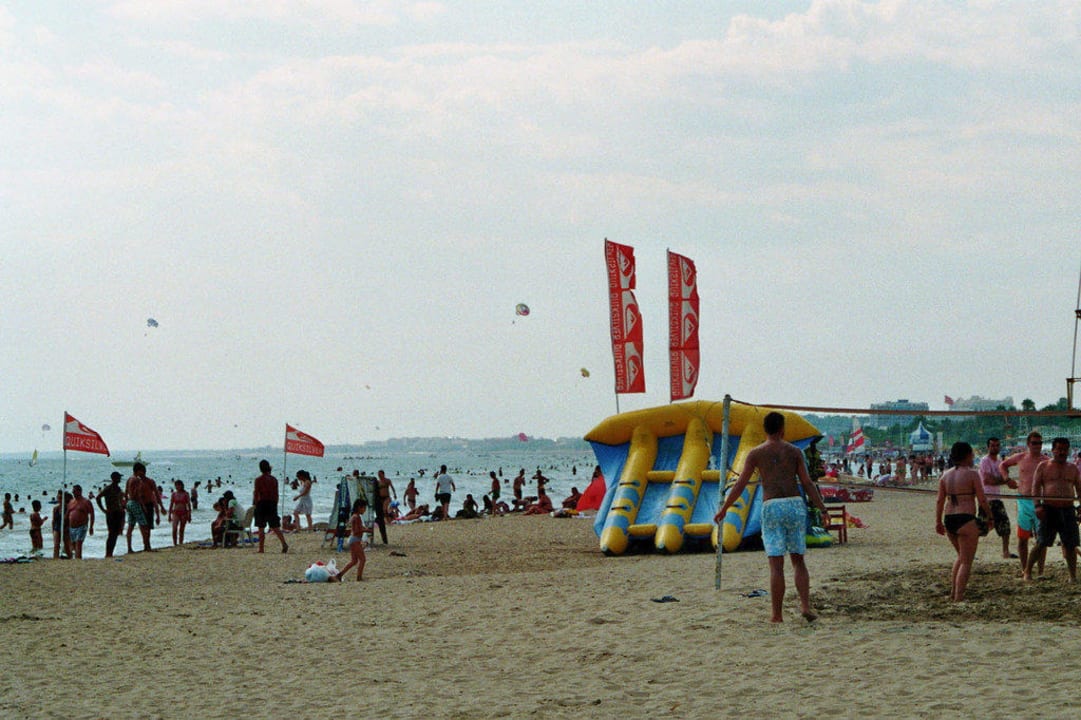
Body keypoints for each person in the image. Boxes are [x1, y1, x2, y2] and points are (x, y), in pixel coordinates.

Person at [714, 411, 829, 623]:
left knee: (776, 566)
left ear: (765, 430)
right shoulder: (794, 452)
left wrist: (724, 508)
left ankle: (777, 615)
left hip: (772, 505)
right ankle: (805, 606)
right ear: (782, 429)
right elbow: (807, 482)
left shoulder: (756, 453)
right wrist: (822, 508)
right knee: (798, 560)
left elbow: (740, 484)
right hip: (794, 504)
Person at [935, 442, 994, 601]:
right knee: (967, 561)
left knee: (961, 557)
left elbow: (940, 501)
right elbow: (982, 499)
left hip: (949, 518)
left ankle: (954, 592)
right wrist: (990, 516)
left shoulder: (945, 475)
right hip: (965, 517)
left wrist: (938, 522)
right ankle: (959, 596)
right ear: (967, 455)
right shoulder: (972, 474)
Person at [1023, 437, 1081, 582]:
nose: (1061, 452)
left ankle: (1072, 576)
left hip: (1068, 509)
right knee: (1041, 542)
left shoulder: (1072, 468)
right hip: (1049, 509)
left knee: (1070, 544)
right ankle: (1027, 572)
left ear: (1068, 451)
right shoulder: (1044, 466)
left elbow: (1079, 489)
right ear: (1053, 450)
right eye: (1059, 449)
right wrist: (1037, 506)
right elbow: (1035, 487)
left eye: (1064, 449)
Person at [1000, 431, 1048, 574]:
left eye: (1039, 443)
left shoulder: (1045, 460)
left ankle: (1040, 570)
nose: (1037, 446)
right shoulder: (1021, 457)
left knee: (1042, 539)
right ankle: (1024, 568)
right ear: (1028, 444)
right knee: (1023, 537)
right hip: (1023, 499)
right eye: (1034, 443)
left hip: (1040, 500)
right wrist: (1007, 479)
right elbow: (1003, 465)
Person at [978, 437, 1017, 559]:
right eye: (992, 445)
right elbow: (987, 480)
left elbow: (1002, 476)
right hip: (987, 498)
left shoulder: (999, 462)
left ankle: (1005, 552)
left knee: (1004, 525)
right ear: (988, 447)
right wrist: (1005, 481)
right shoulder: (985, 461)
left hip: (996, 497)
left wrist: (1004, 479)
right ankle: (968, 550)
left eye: (997, 445)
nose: (995, 447)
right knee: (982, 528)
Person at [253, 459, 288, 554]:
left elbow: (256, 493)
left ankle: (261, 548)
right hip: (272, 503)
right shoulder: (274, 479)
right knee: (275, 526)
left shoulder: (258, 480)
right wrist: (275, 504)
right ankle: (284, 543)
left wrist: (255, 504)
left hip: (262, 503)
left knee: (261, 527)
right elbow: (276, 494)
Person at [337, 499, 371, 581]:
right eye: (364, 508)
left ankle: (340, 574)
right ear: (359, 507)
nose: (365, 510)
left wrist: (365, 529)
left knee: (354, 561)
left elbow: (357, 528)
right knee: (362, 559)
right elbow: (356, 531)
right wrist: (365, 530)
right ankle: (359, 577)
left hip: (354, 539)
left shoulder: (355, 516)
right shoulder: (356, 517)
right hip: (355, 540)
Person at [96, 471, 127, 558]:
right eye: (118, 477)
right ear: (115, 478)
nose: (120, 479)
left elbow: (122, 498)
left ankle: (110, 552)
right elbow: (98, 497)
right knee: (111, 534)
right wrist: (103, 509)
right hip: (111, 513)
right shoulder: (108, 488)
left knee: (116, 533)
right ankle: (108, 553)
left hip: (118, 512)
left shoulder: (118, 488)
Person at [125, 463, 154, 553]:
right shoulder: (137, 480)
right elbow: (136, 494)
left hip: (129, 502)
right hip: (135, 503)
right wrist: (143, 505)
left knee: (131, 525)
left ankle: (129, 548)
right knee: (144, 525)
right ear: (138, 470)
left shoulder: (129, 479)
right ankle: (147, 546)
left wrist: (126, 502)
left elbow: (126, 492)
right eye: (142, 471)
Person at [66, 484, 95, 560]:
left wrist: (91, 527)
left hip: (82, 526)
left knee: (78, 543)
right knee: (73, 544)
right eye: (73, 492)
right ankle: (75, 558)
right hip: (71, 527)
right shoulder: (71, 502)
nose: (73, 493)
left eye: (75, 491)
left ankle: (78, 559)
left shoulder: (86, 502)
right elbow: (67, 514)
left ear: (80, 491)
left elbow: (92, 514)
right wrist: (65, 525)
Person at [168, 479, 192, 546]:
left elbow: (188, 505)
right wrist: (169, 515)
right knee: (174, 528)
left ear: (181, 486)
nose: (177, 487)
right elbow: (171, 504)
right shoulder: (174, 494)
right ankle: (174, 543)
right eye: (176, 485)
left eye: (179, 485)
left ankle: (180, 542)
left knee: (181, 529)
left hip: (184, 512)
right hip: (175, 512)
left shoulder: (186, 494)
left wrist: (189, 515)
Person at [52, 491, 72, 559]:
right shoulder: (55, 509)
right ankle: (55, 559)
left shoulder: (68, 508)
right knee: (56, 545)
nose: (59, 500)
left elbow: (70, 520)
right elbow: (53, 520)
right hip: (57, 528)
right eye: (58, 498)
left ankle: (70, 558)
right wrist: (53, 530)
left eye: (60, 498)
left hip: (66, 528)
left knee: (67, 546)